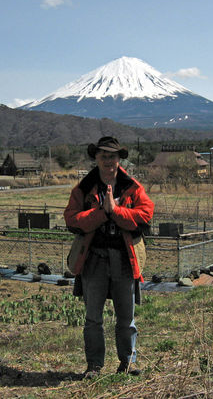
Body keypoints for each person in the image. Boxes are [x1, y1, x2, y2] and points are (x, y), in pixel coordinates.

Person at [64, 136, 154, 378]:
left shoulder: (132, 187)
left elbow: (145, 214)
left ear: (119, 159)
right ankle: (94, 367)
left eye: (112, 156)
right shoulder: (83, 188)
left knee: (127, 317)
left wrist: (116, 212)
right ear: (96, 157)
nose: (107, 160)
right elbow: (71, 219)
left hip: (125, 259)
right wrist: (101, 214)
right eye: (103, 155)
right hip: (93, 258)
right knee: (93, 317)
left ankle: (128, 363)